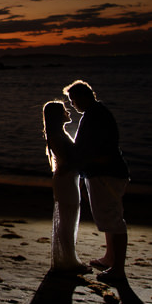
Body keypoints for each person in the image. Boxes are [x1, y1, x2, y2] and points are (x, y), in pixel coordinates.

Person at [64, 79, 130, 284]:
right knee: (107, 218)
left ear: (84, 96)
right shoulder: (94, 114)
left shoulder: (96, 116)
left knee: (112, 218)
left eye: (74, 100)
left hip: (107, 173)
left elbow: (102, 149)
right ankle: (110, 257)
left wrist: (82, 162)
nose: (73, 105)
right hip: (100, 173)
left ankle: (118, 268)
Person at [43, 100, 89, 274]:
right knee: (67, 220)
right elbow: (67, 161)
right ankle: (67, 261)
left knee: (69, 219)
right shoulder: (56, 136)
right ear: (57, 116)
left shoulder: (59, 134)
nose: (67, 112)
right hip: (66, 181)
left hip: (69, 180)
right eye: (63, 110)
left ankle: (68, 258)